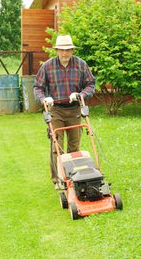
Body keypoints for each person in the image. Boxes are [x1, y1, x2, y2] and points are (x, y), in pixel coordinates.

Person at [34, 35, 95, 190]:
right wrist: (44, 99)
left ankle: (74, 177)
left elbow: (90, 84)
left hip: (74, 109)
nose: (65, 53)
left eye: (68, 50)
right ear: (57, 50)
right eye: (62, 50)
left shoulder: (81, 65)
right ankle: (58, 180)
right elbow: (38, 88)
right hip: (55, 110)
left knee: (74, 145)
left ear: (72, 50)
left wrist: (80, 95)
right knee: (57, 146)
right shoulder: (47, 66)